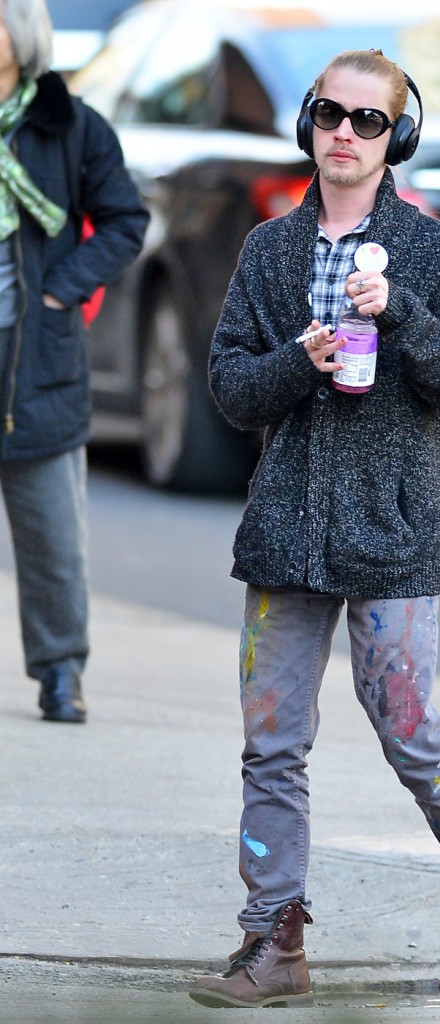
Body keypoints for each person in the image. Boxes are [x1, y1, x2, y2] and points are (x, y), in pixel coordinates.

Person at [189, 49, 440, 1009]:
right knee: (271, 742)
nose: (345, 133)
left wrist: (406, 319)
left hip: (392, 533)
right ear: (307, 123)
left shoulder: (430, 253)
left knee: (409, 730)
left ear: (400, 136)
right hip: (285, 532)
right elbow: (228, 387)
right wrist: (299, 362)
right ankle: (275, 943)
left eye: (369, 120)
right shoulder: (268, 250)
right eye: (329, 114)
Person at [0, 0, 148, 723]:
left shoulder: (71, 126)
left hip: (37, 358)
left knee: (54, 535)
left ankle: (61, 672)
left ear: (22, 38)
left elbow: (125, 219)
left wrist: (63, 291)